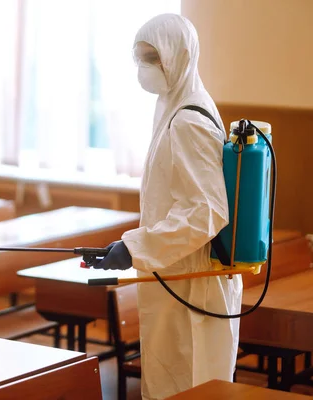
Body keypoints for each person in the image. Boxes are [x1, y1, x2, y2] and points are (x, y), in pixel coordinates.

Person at [92, 13, 242, 400]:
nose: (143, 68)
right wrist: (137, 246)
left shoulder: (188, 120)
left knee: (188, 386)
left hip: (192, 289)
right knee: (167, 385)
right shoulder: (174, 106)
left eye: (152, 58)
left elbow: (206, 210)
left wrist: (136, 247)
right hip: (178, 278)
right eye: (139, 57)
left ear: (179, 56)